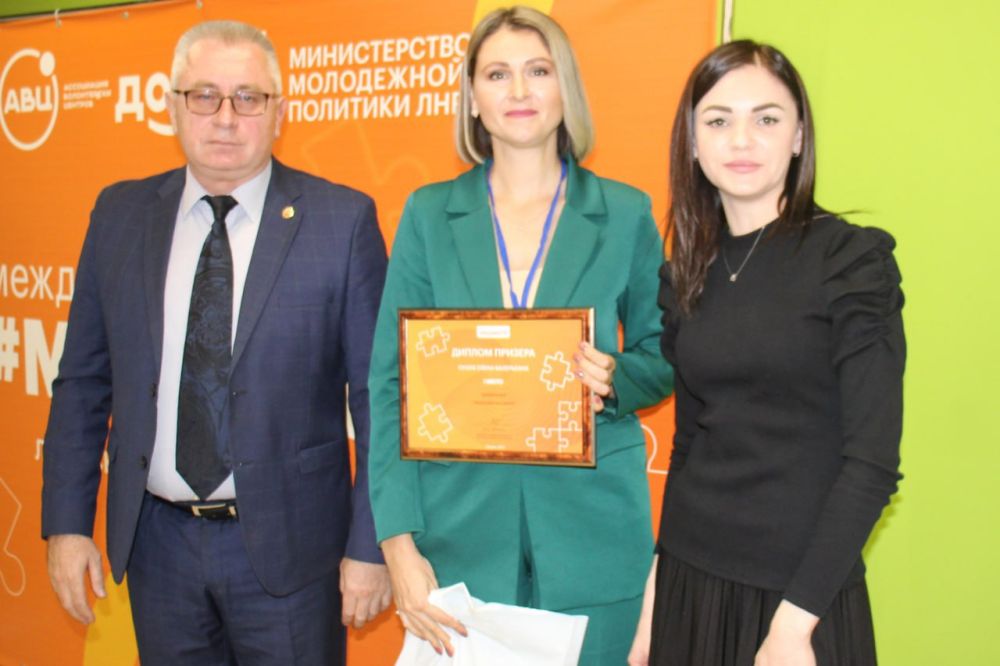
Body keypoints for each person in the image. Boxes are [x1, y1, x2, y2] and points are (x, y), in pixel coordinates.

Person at [41, 20, 391, 665]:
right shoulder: (119, 215)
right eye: (203, 95)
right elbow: (83, 383)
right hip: (157, 548)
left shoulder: (341, 222)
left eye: (248, 98)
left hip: (292, 555)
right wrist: (66, 523)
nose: (225, 118)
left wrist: (372, 546)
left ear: (279, 113)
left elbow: (379, 400)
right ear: (172, 106)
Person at [367, 6, 673, 665]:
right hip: (458, 541)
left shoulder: (625, 213)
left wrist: (615, 377)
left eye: (538, 70)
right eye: (497, 74)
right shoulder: (428, 214)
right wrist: (397, 543)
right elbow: (391, 383)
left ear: (566, 87)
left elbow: (665, 355)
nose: (519, 90)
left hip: (593, 539)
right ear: (473, 97)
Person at [628, 40, 905, 666]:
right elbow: (689, 446)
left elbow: (872, 464)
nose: (741, 140)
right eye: (718, 120)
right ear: (692, 142)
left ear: (799, 136)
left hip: (800, 602)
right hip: (689, 584)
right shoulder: (686, 274)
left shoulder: (850, 262)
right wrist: (655, 596)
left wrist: (792, 628)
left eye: (767, 118)